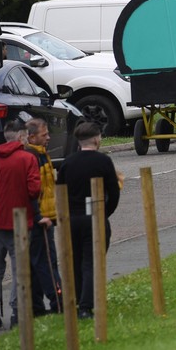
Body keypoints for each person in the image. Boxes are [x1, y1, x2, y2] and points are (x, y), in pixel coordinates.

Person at [0, 119, 40, 330]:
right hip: (21, 220)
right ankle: (16, 312)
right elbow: (34, 190)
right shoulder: (27, 158)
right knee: (19, 267)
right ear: (22, 136)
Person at [55, 121, 120, 319]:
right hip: (94, 213)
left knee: (74, 261)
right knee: (91, 261)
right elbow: (114, 192)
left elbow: (60, 190)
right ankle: (86, 305)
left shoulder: (68, 162)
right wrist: (104, 213)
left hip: (72, 218)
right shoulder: (103, 162)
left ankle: (74, 301)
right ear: (96, 138)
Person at [25, 118, 62, 316]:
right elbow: (32, 190)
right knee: (47, 261)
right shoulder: (33, 157)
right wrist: (40, 215)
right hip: (41, 217)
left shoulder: (40, 154)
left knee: (37, 261)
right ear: (32, 137)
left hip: (47, 214)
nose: (48, 137)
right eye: (44, 134)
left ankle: (37, 306)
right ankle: (58, 301)